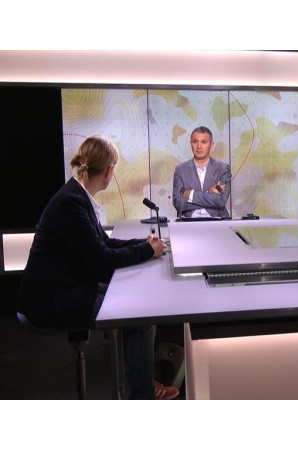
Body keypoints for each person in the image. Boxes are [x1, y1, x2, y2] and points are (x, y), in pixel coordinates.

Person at [17, 135, 178, 400]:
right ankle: (142, 395)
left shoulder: (76, 195)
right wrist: (147, 251)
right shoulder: (71, 203)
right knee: (142, 318)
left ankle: (138, 381)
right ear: (108, 171)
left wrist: (145, 244)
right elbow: (103, 261)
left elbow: (104, 242)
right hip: (50, 299)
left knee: (131, 297)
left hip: (67, 284)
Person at [172, 126, 231, 219]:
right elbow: (178, 203)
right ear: (191, 143)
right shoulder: (180, 170)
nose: (199, 146)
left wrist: (191, 195)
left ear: (211, 144)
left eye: (204, 142)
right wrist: (209, 193)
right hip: (188, 222)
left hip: (217, 221)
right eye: (195, 142)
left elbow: (220, 201)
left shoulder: (223, 169)